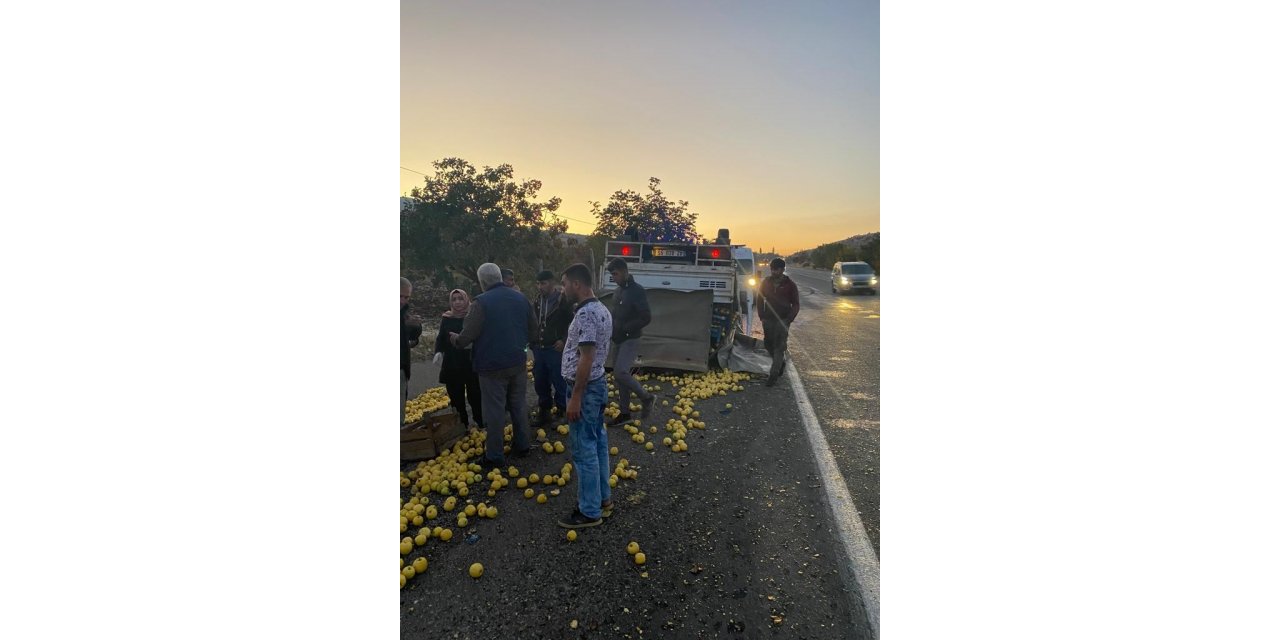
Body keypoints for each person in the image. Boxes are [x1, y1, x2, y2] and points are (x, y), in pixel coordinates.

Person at [450, 263, 540, 470]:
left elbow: (467, 337)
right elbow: (534, 331)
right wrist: (521, 346)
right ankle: (523, 445)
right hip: (517, 362)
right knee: (518, 404)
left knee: (495, 411)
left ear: (482, 282)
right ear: (500, 277)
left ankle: (495, 455)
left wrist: (455, 339)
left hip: (491, 368)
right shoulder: (521, 298)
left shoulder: (481, 303)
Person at [557, 263, 614, 529]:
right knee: (598, 443)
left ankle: (589, 511)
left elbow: (587, 357)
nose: (563, 288)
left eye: (565, 283)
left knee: (584, 450)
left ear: (577, 284)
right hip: (597, 385)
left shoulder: (587, 314)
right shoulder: (601, 308)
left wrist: (575, 397)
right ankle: (603, 500)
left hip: (587, 389)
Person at [604, 258, 655, 426]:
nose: (614, 277)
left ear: (625, 272)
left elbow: (646, 317)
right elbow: (615, 314)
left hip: (630, 338)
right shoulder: (618, 291)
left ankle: (647, 397)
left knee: (620, 372)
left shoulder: (637, 291)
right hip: (617, 338)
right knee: (619, 377)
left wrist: (627, 328)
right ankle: (624, 413)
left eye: (616, 274)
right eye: (612, 275)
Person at [434, 289, 483, 427]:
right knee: (456, 398)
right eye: (454, 299)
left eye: (460, 299)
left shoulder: (473, 316)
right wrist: (438, 351)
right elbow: (441, 337)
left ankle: (480, 422)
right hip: (452, 363)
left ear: (466, 300)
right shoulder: (447, 317)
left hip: (471, 362)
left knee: (476, 395)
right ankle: (462, 425)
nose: (457, 302)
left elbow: (479, 335)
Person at [531, 270, 572, 427]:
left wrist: (564, 340)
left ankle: (563, 410)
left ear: (552, 283)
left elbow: (572, 323)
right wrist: (532, 342)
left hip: (555, 348)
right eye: (538, 284)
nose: (540, 287)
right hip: (539, 347)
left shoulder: (563, 301)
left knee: (559, 380)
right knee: (540, 380)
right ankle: (545, 410)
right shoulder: (537, 301)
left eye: (543, 283)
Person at [757, 257, 800, 386]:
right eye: (772, 269)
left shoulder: (790, 285)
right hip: (768, 319)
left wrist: (789, 319)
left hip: (783, 320)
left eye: (776, 269)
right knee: (768, 344)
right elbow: (759, 299)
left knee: (779, 346)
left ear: (782, 270)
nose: (773, 272)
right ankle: (780, 363)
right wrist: (762, 316)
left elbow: (796, 304)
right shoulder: (766, 282)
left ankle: (773, 374)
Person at [400, 277, 423, 426]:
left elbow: (410, 339)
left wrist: (415, 327)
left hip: (402, 366)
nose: (403, 300)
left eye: (406, 297)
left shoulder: (404, 313)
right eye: (399, 296)